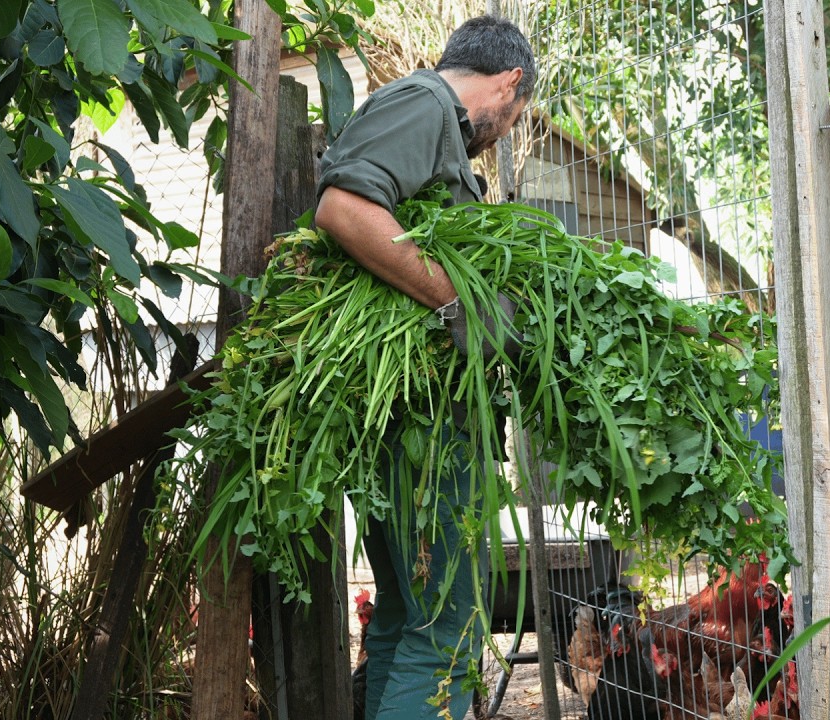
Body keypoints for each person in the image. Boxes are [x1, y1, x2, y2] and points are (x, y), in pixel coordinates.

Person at [314, 15, 537, 720]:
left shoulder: (421, 116)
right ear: (510, 83)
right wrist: (462, 305)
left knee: (403, 620)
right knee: (449, 626)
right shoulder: (424, 105)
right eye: (517, 113)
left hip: (399, 423)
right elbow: (344, 209)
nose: (505, 128)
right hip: (424, 425)